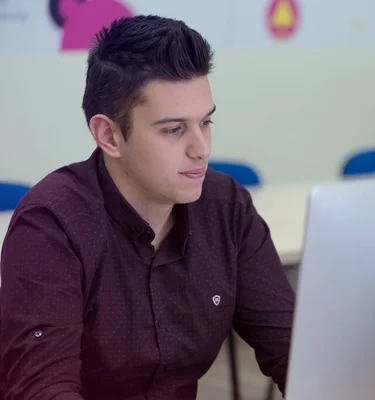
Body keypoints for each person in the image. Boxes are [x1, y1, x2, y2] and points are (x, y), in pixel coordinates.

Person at [0, 15, 295, 399]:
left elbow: (293, 351)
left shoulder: (227, 208)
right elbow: (43, 391)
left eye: (205, 122)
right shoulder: (53, 225)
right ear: (109, 135)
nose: (201, 148)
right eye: (174, 130)